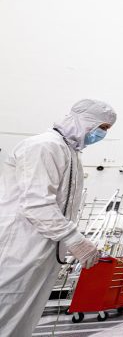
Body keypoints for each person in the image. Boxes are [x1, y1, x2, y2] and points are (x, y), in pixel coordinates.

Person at [0, 99, 116, 336]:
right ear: (85, 120)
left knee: (21, 320)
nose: (102, 134)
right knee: (6, 310)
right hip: (19, 248)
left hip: (43, 251)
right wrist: (74, 239)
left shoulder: (70, 152)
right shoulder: (44, 146)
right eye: (102, 127)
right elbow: (36, 204)